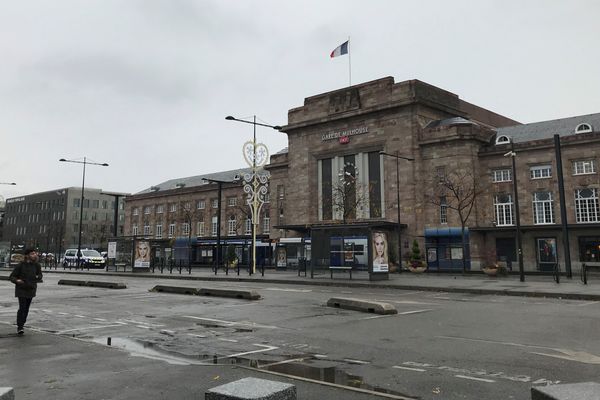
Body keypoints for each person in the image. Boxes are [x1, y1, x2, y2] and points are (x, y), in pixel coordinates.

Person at [9, 248, 43, 335]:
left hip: (31, 289)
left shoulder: (37, 265)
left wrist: (38, 277)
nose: (34, 255)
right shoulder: (21, 265)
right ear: (27, 256)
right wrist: (17, 281)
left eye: (35, 253)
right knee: (22, 308)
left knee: (26, 308)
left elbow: (40, 275)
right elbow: (12, 277)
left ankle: (22, 323)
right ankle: (20, 326)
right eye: (32, 253)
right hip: (21, 289)